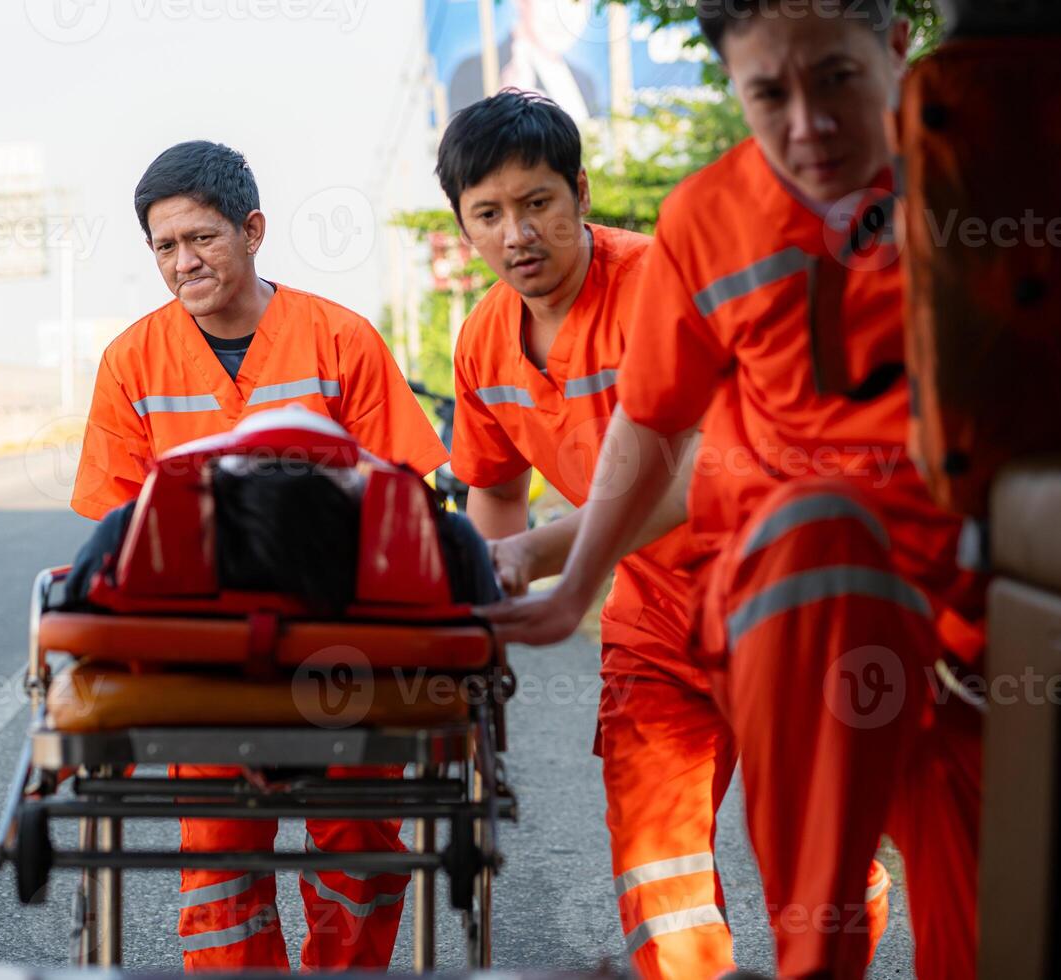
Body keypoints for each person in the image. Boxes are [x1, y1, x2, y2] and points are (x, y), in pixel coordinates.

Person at [480, 4, 983, 978]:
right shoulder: (707, 219)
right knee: (815, 538)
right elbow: (655, 421)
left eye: (835, 77)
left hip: (973, 608)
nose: (808, 125)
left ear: (895, 47)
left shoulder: (998, 178)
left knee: (992, 924)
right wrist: (576, 581)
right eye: (768, 93)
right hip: (791, 601)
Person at [435, 89, 889, 977]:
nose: (517, 236)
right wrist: (494, 611)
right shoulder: (483, 341)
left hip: (776, 585)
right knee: (657, 851)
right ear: (464, 224)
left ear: (583, 195)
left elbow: (707, 467)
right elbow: (493, 498)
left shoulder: (663, 283)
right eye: (487, 214)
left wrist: (545, 554)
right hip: (650, 612)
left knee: (816, 847)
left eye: (538, 205)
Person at [71, 141, 446, 971]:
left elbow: (407, 498)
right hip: (203, 650)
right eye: (164, 246)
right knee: (220, 857)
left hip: (346, 644)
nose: (183, 261)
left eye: (201, 238)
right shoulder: (132, 362)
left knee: (358, 842)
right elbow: (116, 523)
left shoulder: (339, 340)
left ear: (252, 230)